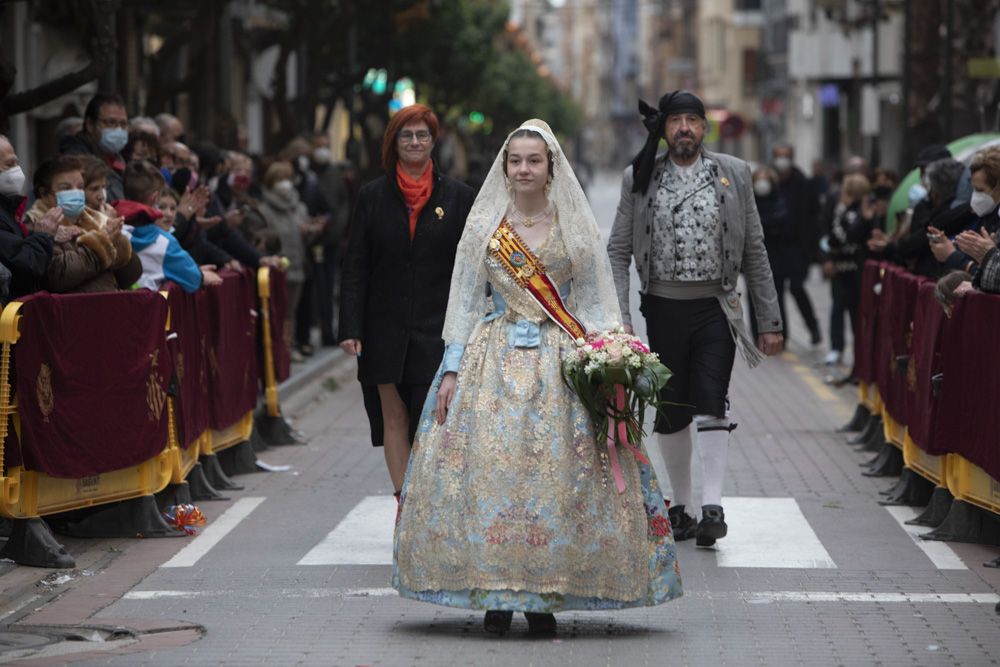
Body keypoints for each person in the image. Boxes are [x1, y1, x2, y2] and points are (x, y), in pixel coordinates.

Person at [393, 120, 682, 635]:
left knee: (558, 478)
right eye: (515, 161)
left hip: (560, 360)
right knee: (489, 473)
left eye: (534, 161)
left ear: (551, 168)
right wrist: (451, 370)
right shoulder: (485, 228)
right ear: (504, 168)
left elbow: (596, 301)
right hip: (493, 356)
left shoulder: (574, 226)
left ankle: (544, 598)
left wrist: (612, 359)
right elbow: (462, 301)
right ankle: (495, 595)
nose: (524, 169)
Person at [606, 90, 783, 547]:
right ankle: (681, 506)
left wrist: (770, 321)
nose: (684, 128)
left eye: (693, 121)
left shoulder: (734, 173)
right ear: (664, 129)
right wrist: (620, 318)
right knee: (671, 408)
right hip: (662, 308)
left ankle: (713, 505)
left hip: (715, 308)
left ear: (705, 128)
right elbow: (618, 251)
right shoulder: (639, 177)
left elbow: (755, 251)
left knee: (711, 398)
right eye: (676, 121)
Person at [338, 104, 475, 505]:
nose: (415, 142)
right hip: (383, 327)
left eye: (422, 135)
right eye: (406, 135)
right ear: (394, 143)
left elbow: (470, 269)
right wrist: (350, 326)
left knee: (433, 418)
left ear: (434, 142)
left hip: (438, 328)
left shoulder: (459, 197)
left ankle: (432, 501)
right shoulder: (371, 197)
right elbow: (355, 265)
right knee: (393, 417)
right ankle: (406, 505)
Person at [26, 155, 140, 293]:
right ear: (45, 193)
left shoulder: (95, 219)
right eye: (66, 188)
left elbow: (129, 277)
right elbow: (57, 276)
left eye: (80, 187)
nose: (75, 192)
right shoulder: (36, 226)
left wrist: (117, 241)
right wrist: (101, 244)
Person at [118, 161, 207, 293]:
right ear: (155, 198)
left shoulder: (110, 230)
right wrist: (202, 275)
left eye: (173, 208)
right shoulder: (164, 242)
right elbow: (194, 280)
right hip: (147, 311)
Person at [820, 173, 873, 366]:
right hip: (840, 268)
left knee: (856, 313)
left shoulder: (860, 213)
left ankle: (859, 352)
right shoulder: (841, 210)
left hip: (856, 269)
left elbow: (843, 236)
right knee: (838, 308)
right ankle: (837, 347)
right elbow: (831, 236)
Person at [258, 161, 310, 359]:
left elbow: (305, 236)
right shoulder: (264, 209)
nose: (285, 184)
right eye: (280, 179)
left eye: (287, 178)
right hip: (276, 268)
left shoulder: (298, 207)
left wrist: (308, 231)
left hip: (297, 266)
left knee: (292, 312)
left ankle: (289, 347)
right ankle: (275, 351)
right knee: (276, 311)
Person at [772, 143, 822, 344]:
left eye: (786, 156)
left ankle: (812, 325)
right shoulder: (768, 183)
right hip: (774, 248)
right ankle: (781, 335)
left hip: (796, 248)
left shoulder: (803, 184)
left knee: (797, 287)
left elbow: (813, 218)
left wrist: (811, 251)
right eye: (779, 156)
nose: (782, 160)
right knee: (775, 293)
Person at [0, 134, 58, 298]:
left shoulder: (9, 209)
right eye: (9, 164)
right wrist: (43, 236)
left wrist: (40, 235)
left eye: (16, 163)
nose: (17, 170)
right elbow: (25, 264)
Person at [59, 92, 129, 202]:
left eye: (123, 124)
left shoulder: (119, 159)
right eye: (111, 122)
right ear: (90, 124)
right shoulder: (76, 160)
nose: (118, 129)